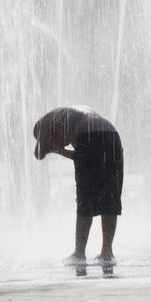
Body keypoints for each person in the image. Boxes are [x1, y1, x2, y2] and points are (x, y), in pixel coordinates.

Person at [33, 106, 123, 274]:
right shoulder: (72, 118)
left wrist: (49, 148)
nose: (57, 144)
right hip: (112, 137)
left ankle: (79, 253)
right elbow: (84, 156)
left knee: (85, 199)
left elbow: (39, 153)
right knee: (110, 196)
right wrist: (59, 149)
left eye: (53, 141)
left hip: (90, 137)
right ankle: (107, 252)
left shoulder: (48, 123)